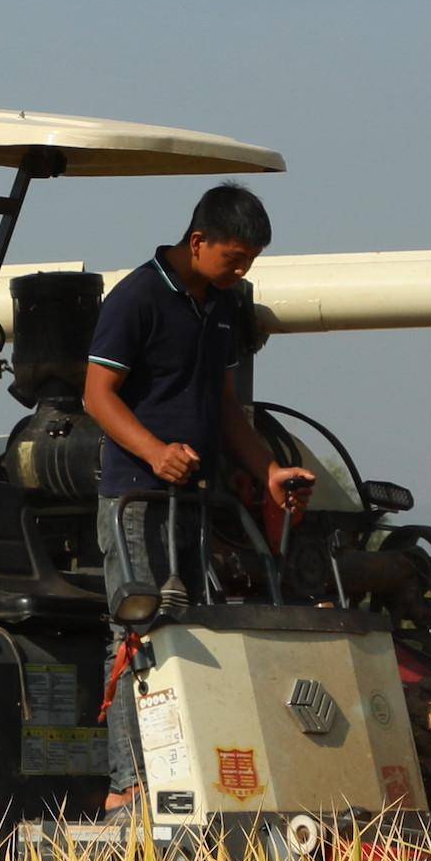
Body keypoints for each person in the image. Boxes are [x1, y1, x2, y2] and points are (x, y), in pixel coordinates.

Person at [83, 183, 315, 808]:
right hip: (135, 496)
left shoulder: (220, 306)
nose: (240, 271)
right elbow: (98, 396)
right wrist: (156, 451)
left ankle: (184, 777)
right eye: (233, 258)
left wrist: (268, 470)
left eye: (249, 263)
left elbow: (226, 407)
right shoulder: (136, 299)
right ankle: (128, 786)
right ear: (198, 241)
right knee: (137, 629)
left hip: (194, 498)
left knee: (193, 628)